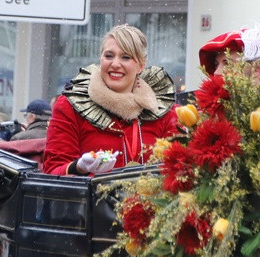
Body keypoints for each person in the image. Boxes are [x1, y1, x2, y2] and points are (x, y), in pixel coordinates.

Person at [43, 24, 179, 176]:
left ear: (141, 65)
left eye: (125, 57)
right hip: (92, 199)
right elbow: (52, 172)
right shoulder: (71, 105)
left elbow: (180, 170)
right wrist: (79, 167)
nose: (115, 64)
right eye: (109, 56)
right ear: (101, 58)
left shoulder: (164, 111)